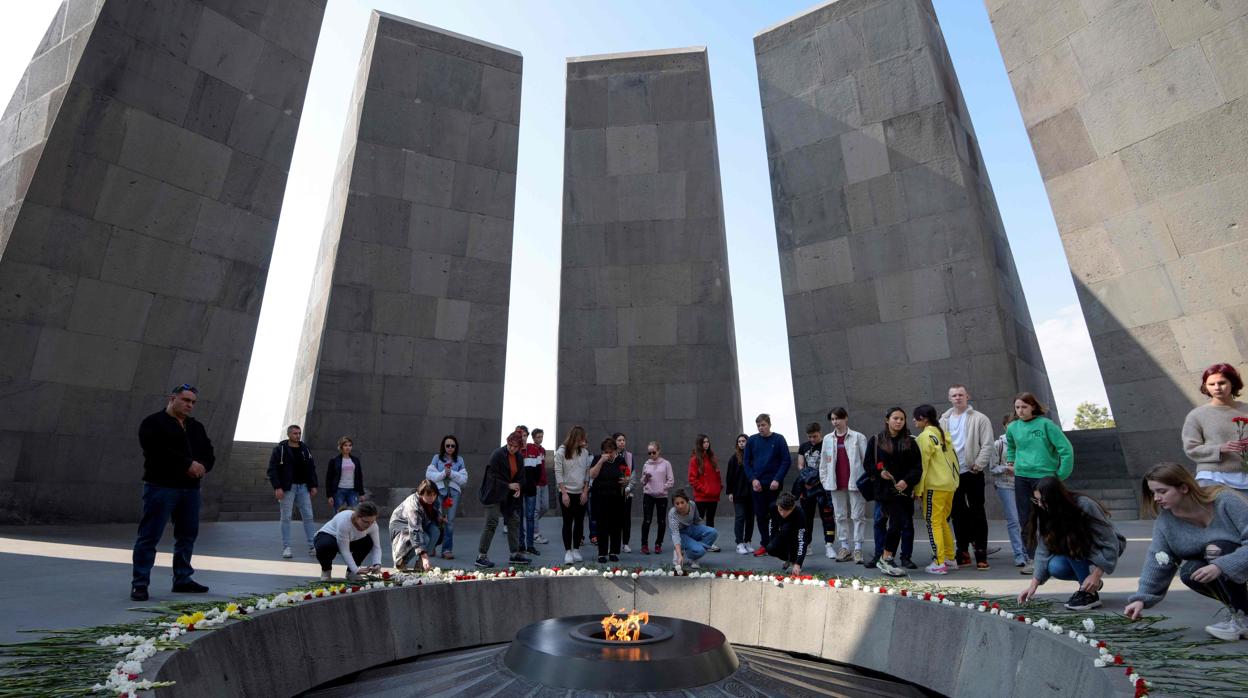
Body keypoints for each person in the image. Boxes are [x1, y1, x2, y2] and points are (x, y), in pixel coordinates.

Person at [1125, 463, 1248, 640]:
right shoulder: (1166, 522)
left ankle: (1242, 616)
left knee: (1216, 549)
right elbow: (1159, 559)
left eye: (1162, 491)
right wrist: (1141, 599)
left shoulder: (1225, 500)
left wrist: (1221, 566)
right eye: (1153, 493)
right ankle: (1242, 615)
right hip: (1229, 569)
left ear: (1183, 487)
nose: (1156, 498)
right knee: (1190, 572)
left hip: (1239, 562)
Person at [130, 384, 215, 601]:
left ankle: (182, 579)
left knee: (187, 536)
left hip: (190, 490)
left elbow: (209, 452)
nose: (189, 405)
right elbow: (155, 451)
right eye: (186, 400)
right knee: (149, 536)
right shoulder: (153, 423)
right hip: (161, 487)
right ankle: (140, 584)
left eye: (193, 402)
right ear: (172, 398)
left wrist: (202, 466)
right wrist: (187, 464)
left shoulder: (196, 427)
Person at [1017, 476, 1124, 611]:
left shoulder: (1084, 505)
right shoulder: (1046, 511)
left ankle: (1089, 594)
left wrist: (1096, 574)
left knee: (1070, 542)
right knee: (1055, 567)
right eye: (1036, 500)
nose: (1040, 505)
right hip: (1077, 548)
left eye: (1043, 501)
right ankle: (1088, 583)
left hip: (1104, 546)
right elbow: (1043, 550)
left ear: (1056, 498)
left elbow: (1110, 541)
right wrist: (1033, 586)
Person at [1006, 392, 1074, 563]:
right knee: (1025, 519)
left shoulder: (1046, 425)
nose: (1020, 411)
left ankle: (1056, 553)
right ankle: (1032, 558)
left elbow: (1066, 449)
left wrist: (1060, 475)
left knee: (1050, 517)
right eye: (1017, 407)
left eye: (1024, 407)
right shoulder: (1013, 427)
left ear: (1033, 407)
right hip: (1022, 477)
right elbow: (1012, 447)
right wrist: (1011, 461)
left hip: (1045, 477)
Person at [864, 407, 921, 578]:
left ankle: (888, 557)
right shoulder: (876, 440)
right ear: (887, 419)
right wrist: (879, 472)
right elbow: (868, 465)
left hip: (904, 489)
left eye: (902, 419)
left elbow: (918, 467)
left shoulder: (910, 441)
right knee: (894, 522)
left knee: (901, 523)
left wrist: (906, 481)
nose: (898, 421)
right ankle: (885, 557)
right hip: (885, 490)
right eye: (895, 418)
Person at [941, 386, 994, 570]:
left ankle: (981, 553)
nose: (957, 398)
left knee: (977, 512)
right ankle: (962, 551)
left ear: (967, 396)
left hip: (972, 472)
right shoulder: (943, 421)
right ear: (949, 398)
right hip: (952, 475)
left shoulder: (979, 418)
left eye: (961, 395)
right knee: (957, 514)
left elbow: (987, 444)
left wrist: (979, 465)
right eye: (954, 395)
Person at [1182, 363, 1248, 495]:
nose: (1217, 388)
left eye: (1222, 382)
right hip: (1212, 476)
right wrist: (1220, 449)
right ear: (1205, 387)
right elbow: (1191, 449)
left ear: (1233, 383)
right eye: (1211, 384)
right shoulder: (1197, 415)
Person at [914, 404, 960, 575]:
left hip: (935, 485)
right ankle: (949, 557)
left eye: (916, 417)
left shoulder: (925, 437)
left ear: (923, 419)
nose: (914, 421)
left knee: (933, 523)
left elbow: (923, 465)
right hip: (949, 485)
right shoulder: (942, 435)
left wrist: (918, 489)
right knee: (942, 522)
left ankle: (939, 562)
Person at [476, 430, 529, 569]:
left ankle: (514, 554)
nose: (512, 448)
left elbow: (521, 477)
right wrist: (508, 485)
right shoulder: (497, 454)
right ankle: (481, 556)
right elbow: (491, 478)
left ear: (519, 447)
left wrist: (518, 488)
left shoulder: (519, 457)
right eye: (510, 445)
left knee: (514, 520)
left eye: (515, 446)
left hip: (508, 495)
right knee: (491, 522)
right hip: (493, 493)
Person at [821, 408, 867, 563]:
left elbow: (865, 461)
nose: (835, 422)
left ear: (845, 418)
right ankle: (844, 547)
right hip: (835, 483)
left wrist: (864, 480)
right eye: (833, 419)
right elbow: (823, 462)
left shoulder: (858, 437)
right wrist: (825, 480)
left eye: (838, 418)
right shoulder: (828, 439)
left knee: (857, 516)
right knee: (840, 516)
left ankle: (858, 549)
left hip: (855, 482)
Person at [744, 414, 792, 555]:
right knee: (760, 515)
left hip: (774, 485)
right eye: (758, 425)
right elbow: (746, 462)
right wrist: (753, 479)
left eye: (763, 425)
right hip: (757, 485)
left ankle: (777, 543)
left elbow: (786, 460)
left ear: (769, 425)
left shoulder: (778, 439)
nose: (761, 428)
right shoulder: (752, 440)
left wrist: (777, 479)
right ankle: (765, 544)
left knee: (777, 514)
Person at [267, 424, 317, 560]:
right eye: (295, 433)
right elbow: (272, 469)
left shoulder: (305, 449)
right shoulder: (280, 449)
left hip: (303, 487)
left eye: (299, 433)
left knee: (308, 516)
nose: (298, 436)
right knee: (286, 517)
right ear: (289, 434)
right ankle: (286, 547)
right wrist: (277, 487)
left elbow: (311, 468)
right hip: (287, 488)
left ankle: (313, 546)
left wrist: (313, 485)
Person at [990, 414, 1029, 570]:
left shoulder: (1026, 442)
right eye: (1010, 424)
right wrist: (1006, 468)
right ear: (1005, 426)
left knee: (1026, 520)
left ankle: (1029, 553)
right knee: (1013, 520)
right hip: (1005, 485)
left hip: (1024, 484)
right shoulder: (998, 445)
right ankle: (1019, 554)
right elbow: (992, 468)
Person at [792, 422, 835, 558]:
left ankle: (829, 546)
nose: (812, 439)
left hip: (824, 488)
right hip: (808, 488)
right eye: (810, 437)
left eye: (815, 436)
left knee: (827, 517)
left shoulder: (826, 445)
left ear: (820, 433)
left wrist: (817, 478)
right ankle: (807, 544)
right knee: (806, 518)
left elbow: (830, 465)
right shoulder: (804, 446)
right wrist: (808, 477)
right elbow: (800, 465)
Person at [314, 501, 382, 581]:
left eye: (372, 521)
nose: (369, 525)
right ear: (357, 517)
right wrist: (356, 569)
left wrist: (377, 564)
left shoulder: (373, 525)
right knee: (325, 546)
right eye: (365, 522)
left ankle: (350, 573)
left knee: (368, 542)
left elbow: (376, 547)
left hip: (350, 539)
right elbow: (344, 550)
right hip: (329, 536)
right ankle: (326, 571)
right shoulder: (345, 522)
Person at [554, 425, 593, 564]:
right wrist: (564, 493)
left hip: (581, 493)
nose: (585, 440)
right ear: (577, 438)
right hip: (567, 492)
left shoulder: (584, 452)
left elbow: (588, 473)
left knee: (580, 522)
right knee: (567, 522)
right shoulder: (561, 452)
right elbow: (558, 473)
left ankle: (576, 549)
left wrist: (585, 491)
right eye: (583, 438)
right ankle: (568, 552)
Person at [425, 435, 467, 560]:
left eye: (452, 446)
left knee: (449, 522)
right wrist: (443, 474)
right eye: (447, 445)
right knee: (435, 518)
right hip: (437, 492)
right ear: (444, 446)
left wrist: (452, 473)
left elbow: (464, 479)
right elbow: (429, 475)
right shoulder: (437, 458)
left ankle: (447, 549)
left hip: (453, 493)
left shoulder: (459, 460)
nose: (450, 448)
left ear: (456, 447)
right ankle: (431, 547)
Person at [589, 436, 628, 563]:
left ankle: (613, 551)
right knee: (602, 525)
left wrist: (626, 480)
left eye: (611, 452)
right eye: (606, 452)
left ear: (615, 451)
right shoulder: (596, 459)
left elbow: (627, 474)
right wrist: (601, 461)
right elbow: (592, 475)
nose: (608, 454)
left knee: (615, 525)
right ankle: (602, 553)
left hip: (616, 497)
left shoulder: (621, 460)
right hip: (600, 497)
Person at [390, 480, 443, 571]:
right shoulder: (413, 506)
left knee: (435, 531)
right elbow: (415, 530)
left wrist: (439, 518)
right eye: (428, 495)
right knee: (424, 538)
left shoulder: (435, 499)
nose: (432, 498)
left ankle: (421, 564)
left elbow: (434, 512)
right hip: (403, 525)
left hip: (423, 522)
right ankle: (402, 562)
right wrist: (424, 556)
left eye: (434, 495)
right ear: (421, 493)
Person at [669, 489, 718, 574]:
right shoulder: (673, 514)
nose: (680, 506)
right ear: (674, 505)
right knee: (701, 550)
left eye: (682, 502)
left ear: (687, 501)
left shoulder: (692, 505)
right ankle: (683, 552)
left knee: (713, 532)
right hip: (681, 534)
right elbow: (675, 534)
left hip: (691, 528)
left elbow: (696, 520)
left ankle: (694, 552)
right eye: (677, 504)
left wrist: (702, 533)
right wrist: (679, 555)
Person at [640, 441, 674, 555]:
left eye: (653, 452)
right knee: (647, 520)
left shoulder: (666, 464)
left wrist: (662, 488)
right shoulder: (646, 464)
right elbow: (642, 481)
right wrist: (646, 478)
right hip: (648, 495)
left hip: (661, 496)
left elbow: (671, 481)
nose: (651, 455)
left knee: (661, 521)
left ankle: (658, 544)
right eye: (649, 453)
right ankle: (644, 545)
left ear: (658, 451)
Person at [689, 434, 723, 544]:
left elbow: (717, 476)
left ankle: (709, 543)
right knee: (698, 521)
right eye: (704, 442)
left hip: (713, 496)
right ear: (699, 444)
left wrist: (718, 488)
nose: (706, 444)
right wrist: (705, 490)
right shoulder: (695, 460)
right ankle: (694, 542)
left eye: (707, 441)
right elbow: (692, 479)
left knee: (710, 520)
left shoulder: (712, 457)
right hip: (701, 497)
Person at [765, 492, 810, 574]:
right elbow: (772, 527)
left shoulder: (800, 513)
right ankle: (789, 559)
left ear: (792, 507)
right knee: (770, 548)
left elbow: (802, 540)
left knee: (787, 529)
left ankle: (794, 560)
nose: (782, 513)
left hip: (796, 537)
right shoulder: (773, 507)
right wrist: (772, 542)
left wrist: (798, 563)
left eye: (787, 511)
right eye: (780, 510)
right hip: (782, 533)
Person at [521, 427, 549, 555]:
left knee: (544, 507)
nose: (540, 439)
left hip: (543, 483)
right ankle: (534, 535)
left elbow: (540, 467)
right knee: (532, 512)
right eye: (538, 437)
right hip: (533, 485)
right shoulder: (528, 449)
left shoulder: (542, 450)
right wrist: (535, 483)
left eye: (541, 436)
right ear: (533, 438)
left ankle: (531, 532)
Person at [726, 433, 754, 554]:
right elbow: (729, 477)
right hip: (738, 493)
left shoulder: (753, 457)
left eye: (744, 441)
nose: (742, 443)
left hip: (751, 493)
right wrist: (730, 492)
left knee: (750, 518)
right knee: (740, 517)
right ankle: (739, 543)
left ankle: (747, 541)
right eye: (739, 441)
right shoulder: (733, 458)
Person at [325, 435, 365, 512]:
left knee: (354, 514)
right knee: (339, 514)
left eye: (350, 445)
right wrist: (329, 495)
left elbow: (359, 477)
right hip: (339, 491)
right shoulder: (334, 461)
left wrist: (361, 493)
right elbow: (329, 479)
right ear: (341, 447)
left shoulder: (355, 460)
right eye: (345, 445)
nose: (348, 447)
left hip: (353, 491)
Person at [614, 432, 636, 553]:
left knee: (626, 519)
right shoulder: (611, 455)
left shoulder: (629, 456)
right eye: (619, 440)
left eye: (623, 440)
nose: (622, 442)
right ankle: (614, 543)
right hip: (613, 493)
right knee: (614, 519)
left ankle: (625, 543)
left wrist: (627, 489)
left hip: (627, 493)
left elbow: (632, 475)